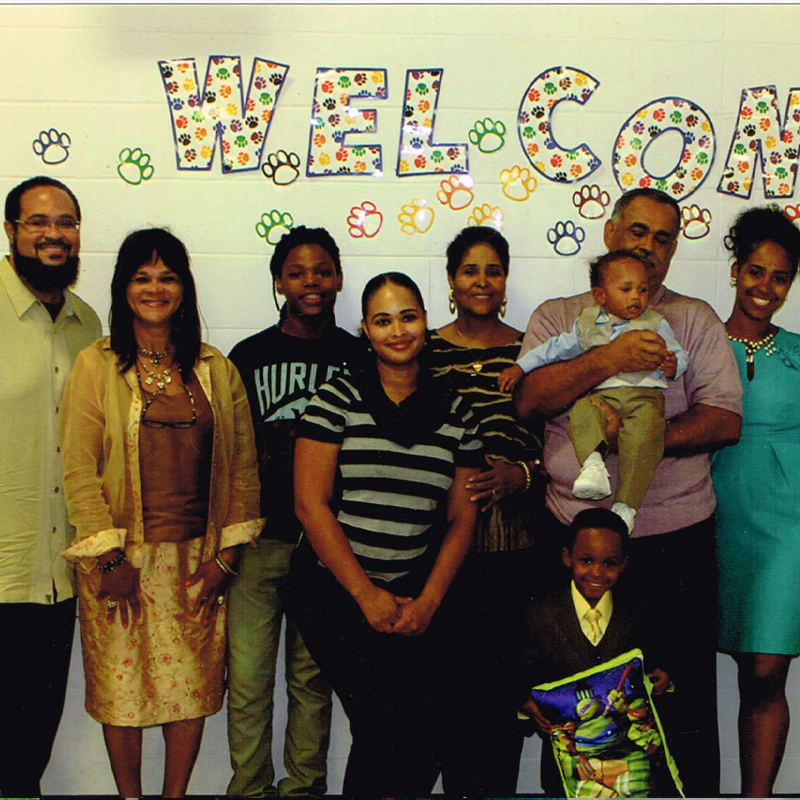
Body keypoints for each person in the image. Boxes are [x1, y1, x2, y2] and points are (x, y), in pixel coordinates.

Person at [515, 187, 743, 796]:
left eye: (663, 238)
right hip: (574, 540)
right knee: (576, 707)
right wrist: (607, 357)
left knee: (680, 703)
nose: (648, 246)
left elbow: (724, 420)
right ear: (610, 233)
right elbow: (529, 401)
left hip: (673, 537)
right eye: (638, 231)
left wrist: (635, 441)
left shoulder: (692, 319)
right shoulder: (561, 316)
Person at [60, 228, 262, 799]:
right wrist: (108, 560)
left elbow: (243, 468)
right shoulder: (96, 364)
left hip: (197, 562)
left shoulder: (215, 368)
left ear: (184, 287)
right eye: (142, 277)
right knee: (122, 694)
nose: (155, 289)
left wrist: (224, 561)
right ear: (123, 288)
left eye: (167, 277)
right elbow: (78, 468)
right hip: (119, 562)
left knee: (189, 690)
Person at [288, 272, 482, 797]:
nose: (397, 331)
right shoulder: (337, 398)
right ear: (366, 331)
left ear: (426, 322)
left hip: (413, 591)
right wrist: (365, 595)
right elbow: (309, 505)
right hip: (334, 591)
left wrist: (430, 602)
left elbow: (462, 518)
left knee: (423, 733)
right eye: (382, 320)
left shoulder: (456, 409)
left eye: (408, 317)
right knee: (384, 725)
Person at [226, 226, 360, 797]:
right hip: (259, 543)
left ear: (338, 280)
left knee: (313, 681)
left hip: (328, 547)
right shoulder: (248, 356)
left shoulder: (358, 356)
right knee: (248, 682)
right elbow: (229, 453)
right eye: (298, 272)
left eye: (323, 271)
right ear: (279, 281)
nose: (312, 282)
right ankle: (249, 789)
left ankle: (304, 788)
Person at [426, 226, 546, 795]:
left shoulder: (533, 350)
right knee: (447, 687)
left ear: (505, 281)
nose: (482, 281)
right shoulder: (422, 349)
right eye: (469, 270)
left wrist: (521, 474)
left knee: (503, 685)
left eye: (493, 270)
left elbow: (561, 443)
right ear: (451, 281)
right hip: (437, 541)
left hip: (513, 540)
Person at [0, 176, 101, 796]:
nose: (53, 234)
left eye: (65, 222)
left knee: (28, 742)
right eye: (38, 221)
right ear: (11, 230)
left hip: (58, 576)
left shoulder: (88, 325)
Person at [502, 250, 688, 533]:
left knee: (646, 434)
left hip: (644, 397)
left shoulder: (656, 322)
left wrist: (674, 365)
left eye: (642, 290)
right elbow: (553, 349)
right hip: (603, 396)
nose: (636, 297)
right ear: (600, 295)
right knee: (581, 413)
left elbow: (678, 353)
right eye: (626, 290)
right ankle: (593, 466)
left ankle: (626, 505)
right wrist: (520, 367)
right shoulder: (587, 324)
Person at [711, 205, 800, 797]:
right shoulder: (697, 342)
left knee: (767, 669)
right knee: (728, 669)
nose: (766, 287)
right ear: (736, 271)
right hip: (711, 515)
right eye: (756, 272)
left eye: (780, 277)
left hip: (787, 526)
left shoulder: (799, 352)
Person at [518, 508, 670, 797]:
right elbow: (521, 674)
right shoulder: (539, 614)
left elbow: (657, 667)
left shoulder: (639, 613)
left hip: (629, 764)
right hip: (567, 767)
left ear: (624, 564)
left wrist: (663, 681)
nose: (597, 572)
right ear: (567, 557)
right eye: (586, 560)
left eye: (609, 563)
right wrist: (525, 704)